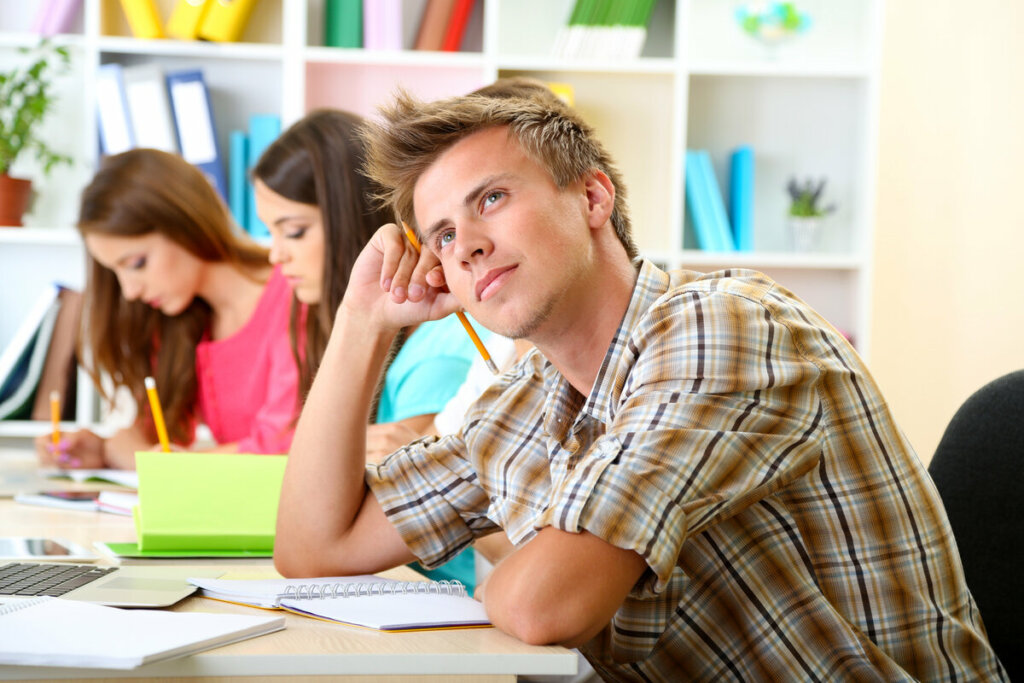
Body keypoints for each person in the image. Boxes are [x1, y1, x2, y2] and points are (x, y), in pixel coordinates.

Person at [275, 86, 1004, 680]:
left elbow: (545, 607)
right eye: (439, 234)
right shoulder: (526, 400)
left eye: (491, 198)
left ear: (592, 199)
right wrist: (361, 322)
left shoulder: (722, 326)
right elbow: (314, 549)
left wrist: (495, 576)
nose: (462, 243)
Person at [251, 108, 485, 589]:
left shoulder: (441, 352)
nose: (276, 255)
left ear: (351, 220)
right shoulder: (364, 335)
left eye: (293, 231)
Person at [35, 149, 298, 470]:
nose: (130, 291)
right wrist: (101, 450)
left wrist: (156, 463)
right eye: (117, 273)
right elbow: (153, 438)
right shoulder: (182, 319)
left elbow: (284, 447)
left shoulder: (295, 294)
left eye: (136, 264)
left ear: (184, 222)